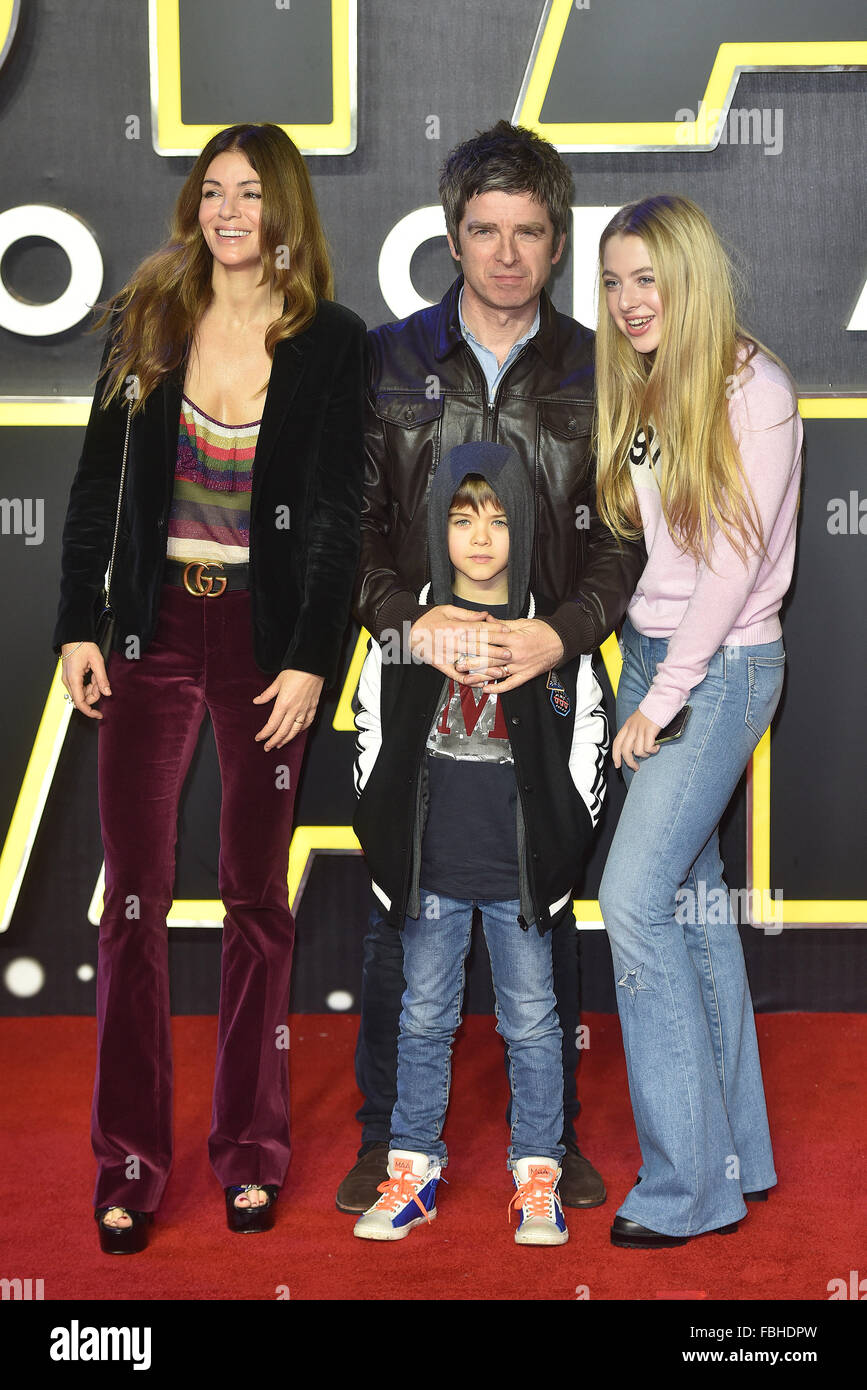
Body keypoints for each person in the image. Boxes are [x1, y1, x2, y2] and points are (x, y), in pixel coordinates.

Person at [54, 123, 366, 1252]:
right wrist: (78, 626)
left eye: (251, 193)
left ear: (284, 210)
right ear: (196, 205)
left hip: (262, 641)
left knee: (254, 900)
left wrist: (312, 657)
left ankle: (250, 1153)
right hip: (149, 631)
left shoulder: (333, 342)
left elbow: (335, 519)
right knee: (132, 901)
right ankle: (130, 1164)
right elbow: (95, 485)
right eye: (214, 191)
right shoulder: (148, 317)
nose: (230, 211)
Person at [338, 119, 645, 1215]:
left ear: (558, 240)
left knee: (540, 901)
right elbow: (347, 528)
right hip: (415, 674)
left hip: (547, 674)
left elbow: (625, 538)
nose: (506, 254)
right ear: (451, 234)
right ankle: (388, 1140)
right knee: (401, 910)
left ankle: (548, 1144)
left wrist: (564, 632)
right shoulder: (387, 359)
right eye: (484, 230)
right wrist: (406, 622)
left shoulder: (600, 369)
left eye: (528, 232)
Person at [594, 194, 802, 1247]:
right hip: (653, 656)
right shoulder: (648, 376)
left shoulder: (753, 388)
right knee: (689, 902)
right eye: (614, 281)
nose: (629, 301)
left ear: (693, 279)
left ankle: (686, 1191)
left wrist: (662, 697)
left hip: (716, 671)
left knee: (632, 899)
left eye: (649, 279)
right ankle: (738, 1158)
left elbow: (731, 567)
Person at [351, 441, 608, 1243]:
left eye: (498, 520)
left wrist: (564, 839)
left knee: (531, 1024)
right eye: (463, 520)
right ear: (438, 527)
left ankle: (538, 1176)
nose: (481, 537)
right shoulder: (408, 630)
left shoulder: (550, 634)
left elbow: (588, 736)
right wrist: (383, 833)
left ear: (524, 526)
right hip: (430, 871)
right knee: (423, 1019)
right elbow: (368, 728)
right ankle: (411, 1172)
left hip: (519, 879)